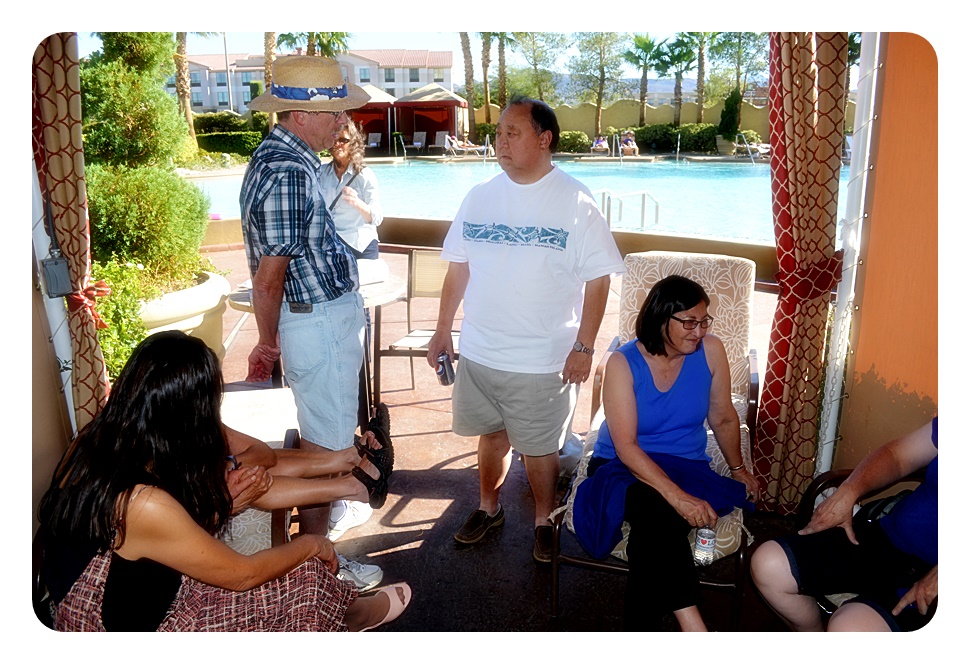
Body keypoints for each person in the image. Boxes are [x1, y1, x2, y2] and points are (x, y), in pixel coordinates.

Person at [38, 331, 411, 632]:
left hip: (136, 592)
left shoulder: (100, 437)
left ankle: (354, 482)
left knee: (292, 565)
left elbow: (152, 546)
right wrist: (314, 543)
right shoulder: (142, 502)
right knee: (302, 572)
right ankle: (355, 615)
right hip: (127, 624)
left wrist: (222, 503)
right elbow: (243, 576)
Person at [426, 96, 625, 564]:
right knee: (490, 436)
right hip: (480, 351)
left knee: (539, 450)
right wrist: (442, 330)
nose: (500, 141)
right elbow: (458, 268)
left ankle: (542, 520)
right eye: (498, 133)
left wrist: (584, 347)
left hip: (543, 359)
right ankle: (487, 507)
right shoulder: (479, 196)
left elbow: (599, 279)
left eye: (512, 133)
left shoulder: (575, 201)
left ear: (544, 139)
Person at [241, 55, 380, 587]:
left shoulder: (280, 160)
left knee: (324, 445)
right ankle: (321, 570)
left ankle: (315, 560)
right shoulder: (288, 172)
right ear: (300, 115)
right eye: (334, 112)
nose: (343, 121)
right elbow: (269, 277)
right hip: (319, 323)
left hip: (319, 320)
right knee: (327, 455)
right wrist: (267, 342)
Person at [571, 275, 762, 631]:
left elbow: (722, 416)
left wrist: (738, 469)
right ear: (661, 319)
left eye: (704, 321)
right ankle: (694, 627)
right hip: (622, 466)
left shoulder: (711, 350)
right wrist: (679, 498)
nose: (699, 331)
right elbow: (626, 447)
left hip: (685, 464)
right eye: (689, 322)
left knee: (654, 533)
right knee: (659, 513)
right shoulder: (623, 364)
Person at [750, 417, 938, 632]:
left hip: (930, 571)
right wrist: (850, 489)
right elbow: (898, 457)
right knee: (768, 564)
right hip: (889, 536)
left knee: (847, 628)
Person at [319, 121, 383, 261]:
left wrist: (357, 203)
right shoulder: (321, 173)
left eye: (343, 140)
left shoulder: (365, 175)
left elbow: (376, 218)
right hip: (332, 245)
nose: (337, 144)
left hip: (360, 245)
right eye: (334, 139)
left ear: (353, 143)